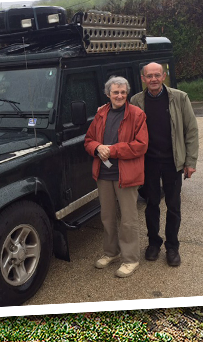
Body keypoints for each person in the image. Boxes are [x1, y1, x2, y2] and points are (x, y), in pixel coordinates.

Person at [130, 62, 199, 267]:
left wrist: (190, 161)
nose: (153, 79)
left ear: (164, 76)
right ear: (143, 78)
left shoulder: (179, 98)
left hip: (172, 162)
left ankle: (172, 247)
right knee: (151, 204)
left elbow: (191, 131)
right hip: (148, 162)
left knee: (173, 205)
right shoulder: (135, 101)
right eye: (149, 76)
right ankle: (153, 243)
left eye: (157, 75)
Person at [84, 76, 148, 278]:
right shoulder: (101, 113)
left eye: (122, 92)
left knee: (128, 220)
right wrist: (97, 147)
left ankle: (131, 259)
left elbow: (141, 145)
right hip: (103, 175)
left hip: (126, 176)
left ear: (127, 93)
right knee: (107, 217)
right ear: (108, 94)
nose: (119, 95)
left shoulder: (137, 115)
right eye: (115, 92)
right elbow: (88, 140)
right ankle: (111, 253)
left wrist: (112, 150)